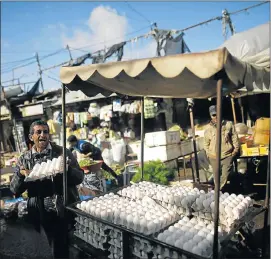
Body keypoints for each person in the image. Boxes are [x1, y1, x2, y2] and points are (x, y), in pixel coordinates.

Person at [10, 120, 84, 258]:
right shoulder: (25, 159)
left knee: (62, 249)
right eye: (38, 132)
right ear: (31, 137)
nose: (43, 135)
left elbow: (79, 177)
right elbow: (14, 189)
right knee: (43, 249)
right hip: (39, 212)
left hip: (62, 209)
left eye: (45, 131)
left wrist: (67, 170)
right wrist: (20, 174)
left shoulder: (62, 153)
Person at [204, 105, 240, 190]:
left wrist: (235, 151)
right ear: (210, 116)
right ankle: (218, 192)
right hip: (213, 157)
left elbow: (235, 138)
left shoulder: (228, 124)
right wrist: (208, 153)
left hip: (227, 156)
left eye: (217, 114)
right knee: (216, 176)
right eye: (213, 115)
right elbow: (206, 143)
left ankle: (218, 191)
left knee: (224, 175)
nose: (216, 117)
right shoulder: (208, 128)